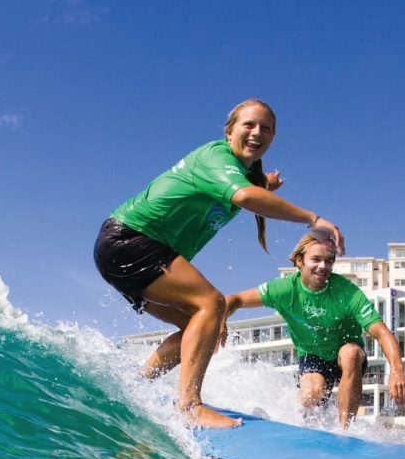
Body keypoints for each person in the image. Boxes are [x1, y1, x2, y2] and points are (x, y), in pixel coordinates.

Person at [93, 99, 343, 429]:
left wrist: (266, 183)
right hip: (131, 240)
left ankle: (138, 384)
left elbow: (252, 188)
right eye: (249, 125)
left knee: (199, 329)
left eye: (266, 129)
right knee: (212, 304)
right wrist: (313, 219)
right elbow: (244, 196)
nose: (258, 133)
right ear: (228, 132)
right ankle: (191, 406)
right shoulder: (215, 157)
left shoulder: (243, 173)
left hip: (127, 249)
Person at [223, 235, 405, 428]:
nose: (323, 266)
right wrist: (221, 321)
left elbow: (382, 332)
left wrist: (397, 370)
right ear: (299, 261)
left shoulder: (346, 292)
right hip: (313, 354)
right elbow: (233, 299)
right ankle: (309, 429)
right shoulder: (285, 289)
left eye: (329, 261)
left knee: (350, 354)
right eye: (316, 259)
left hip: (346, 353)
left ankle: (346, 431)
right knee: (310, 395)